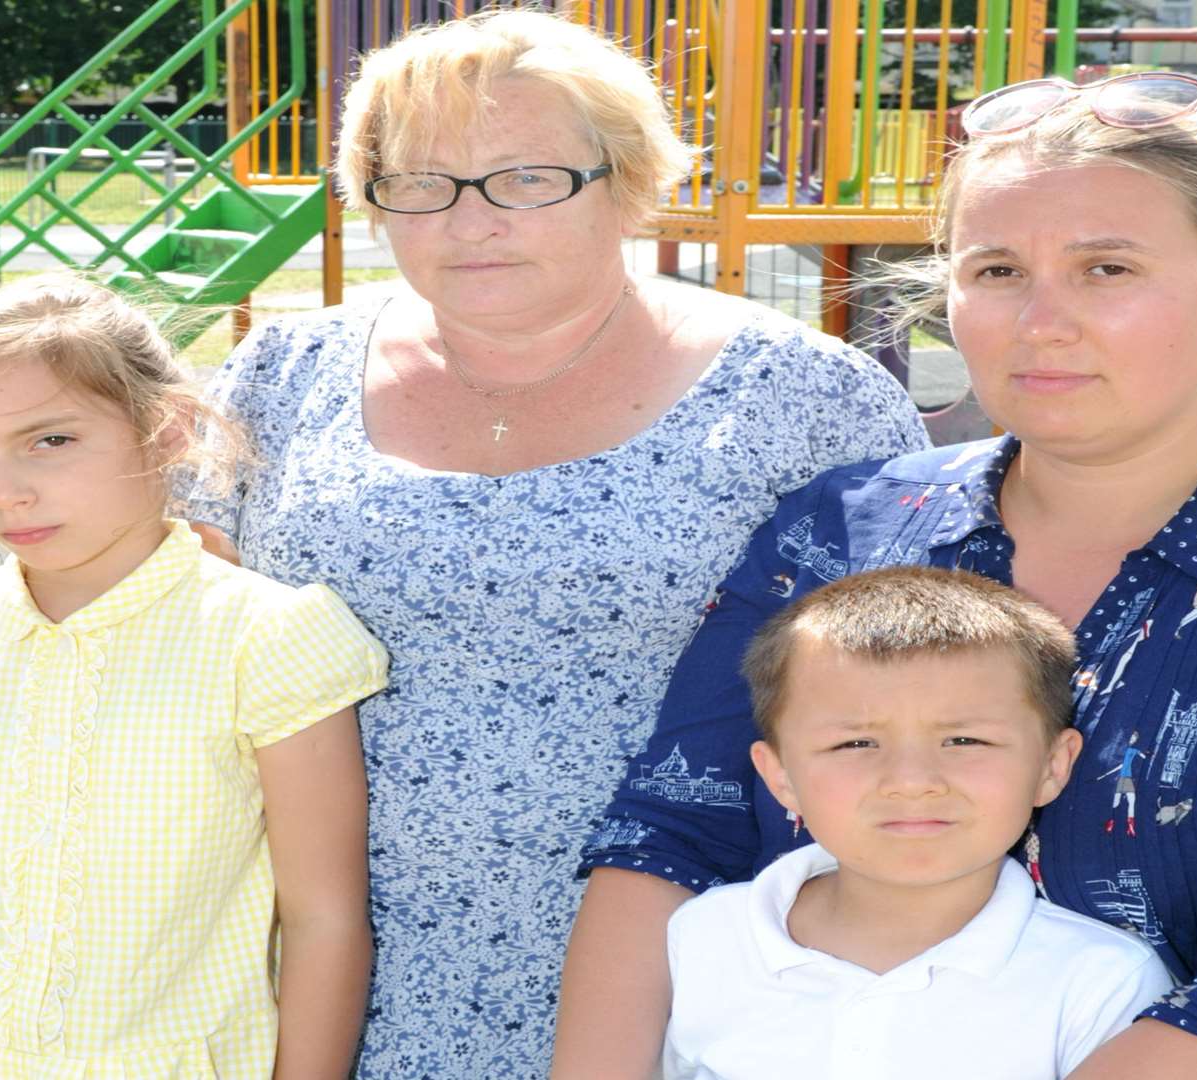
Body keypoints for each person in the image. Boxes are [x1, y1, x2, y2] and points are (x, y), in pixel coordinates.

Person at [559, 71, 1197, 1080]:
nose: (1042, 320)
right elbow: (668, 839)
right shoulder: (838, 532)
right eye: (997, 270)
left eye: (1108, 269)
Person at [181, 10, 928, 1075]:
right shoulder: (279, 376)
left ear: (626, 182)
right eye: (421, 180)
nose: (469, 219)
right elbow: (172, 647)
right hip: (320, 967)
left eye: (526, 177)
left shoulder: (805, 397)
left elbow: (916, 690)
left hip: (690, 977)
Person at [0, 276, 388, 1077]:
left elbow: (325, 918)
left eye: (51, 440)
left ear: (167, 428)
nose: (5, 491)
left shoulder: (268, 637)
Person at [662, 566, 1172, 1079]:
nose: (911, 780)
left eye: (964, 740)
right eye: (855, 743)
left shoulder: (1102, 982)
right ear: (780, 777)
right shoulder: (704, 938)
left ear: (1051, 766)